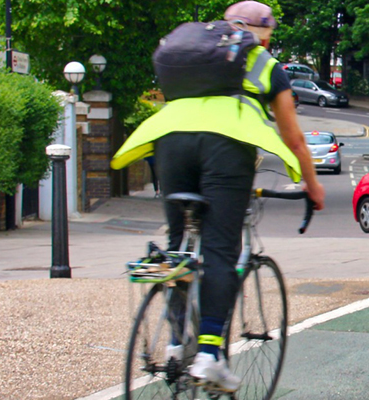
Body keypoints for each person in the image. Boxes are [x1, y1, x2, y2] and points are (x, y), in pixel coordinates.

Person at [109, 1, 325, 391]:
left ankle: (177, 345)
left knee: (178, 251)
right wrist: (312, 184)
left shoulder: (198, 55)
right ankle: (209, 353)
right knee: (222, 248)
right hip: (226, 145)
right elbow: (293, 137)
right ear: (264, 33)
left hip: (170, 141)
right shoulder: (264, 63)